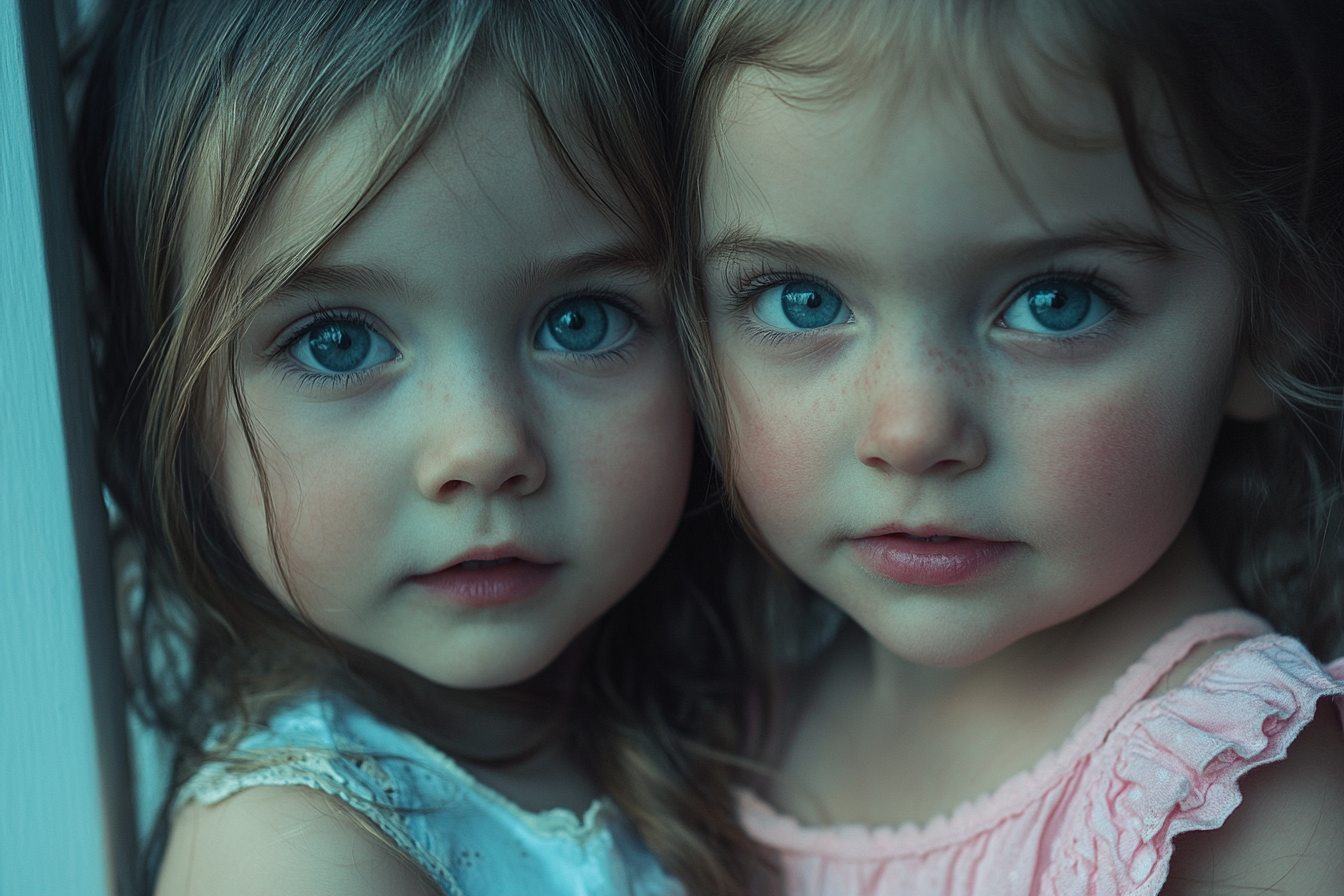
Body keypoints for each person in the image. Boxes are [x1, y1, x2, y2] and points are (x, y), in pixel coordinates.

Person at [74, 0, 764, 893]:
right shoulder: (294, 854)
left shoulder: (725, 708)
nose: (482, 448)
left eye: (579, 321)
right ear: (162, 397)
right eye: (338, 343)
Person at [672, 0, 1344, 892]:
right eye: (802, 300)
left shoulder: (1242, 806)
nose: (911, 434)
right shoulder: (700, 717)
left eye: (1055, 302)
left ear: (1276, 314)